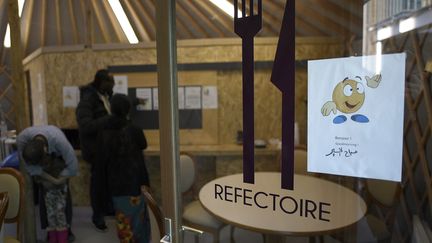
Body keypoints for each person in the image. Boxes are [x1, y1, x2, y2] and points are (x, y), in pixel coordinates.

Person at [99, 94, 151, 242]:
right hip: (135, 184)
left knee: (124, 226)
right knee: (139, 223)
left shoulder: (105, 132)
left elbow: (102, 163)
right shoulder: (134, 130)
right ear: (128, 110)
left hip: (116, 187)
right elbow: (143, 144)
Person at [16, 125, 78, 243]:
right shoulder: (22, 139)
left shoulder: (60, 142)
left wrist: (58, 180)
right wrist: (48, 179)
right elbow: (31, 168)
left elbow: (73, 167)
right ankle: (51, 234)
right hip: (46, 176)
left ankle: (66, 231)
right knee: (48, 206)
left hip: (59, 167)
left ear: (45, 150)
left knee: (61, 209)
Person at [76, 69, 114, 231]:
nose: (111, 87)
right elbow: (85, 126)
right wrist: (109, 120)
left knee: (106, 182)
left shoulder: (105, 96)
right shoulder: (87, 100)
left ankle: (106, 209)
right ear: (100, 83)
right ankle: (97, 216)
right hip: (95, 150)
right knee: (98, 184)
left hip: (106, 148)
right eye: (108, 84)